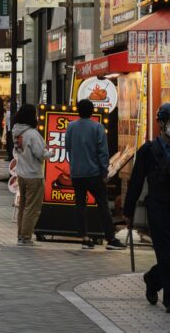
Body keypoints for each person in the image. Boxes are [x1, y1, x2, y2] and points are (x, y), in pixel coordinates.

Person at [124, 103, 170, 311]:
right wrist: (128, 210)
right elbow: (135, 182)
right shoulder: (148, 151)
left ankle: (152, 279)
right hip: (158, 208)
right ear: (161, 123)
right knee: (165, 253)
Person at [66, 98, 124, 250]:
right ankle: (110, 238)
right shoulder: (97, 127)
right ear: (92, 111)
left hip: (76, 173)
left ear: (78, 111)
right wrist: (104, 171)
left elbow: (68, 147)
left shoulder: (71, 127)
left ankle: (84, 238)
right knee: (103, 205)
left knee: (80, 205)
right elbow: (103, 152)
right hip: (94, 173)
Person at [12, 104, 52, 246]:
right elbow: (41, 154)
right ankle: (26, 237)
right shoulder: (32, 134)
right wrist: (50, 153)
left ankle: (21, 235)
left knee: (23, 206)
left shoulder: (16, 131)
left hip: (21, 173)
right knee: (32, 208)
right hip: (34, 175)